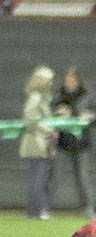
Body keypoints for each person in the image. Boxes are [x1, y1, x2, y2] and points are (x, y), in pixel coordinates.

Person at [52, 67, 96, 218]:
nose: (69, 83)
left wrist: (89, 116)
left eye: (72, 80)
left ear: (78, 81)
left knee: (83, 178)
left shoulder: (87, 96)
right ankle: (45, 207)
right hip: (63, 143)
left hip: (81, 143)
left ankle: (87, 208)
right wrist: (58, 113)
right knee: (54, 175)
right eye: (67, 80)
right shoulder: (59, 96)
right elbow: (49, 113)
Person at [20, 65, 57, 220]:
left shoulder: (41, 99)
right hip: (36, 142)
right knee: (38, 178)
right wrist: (49, 128)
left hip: (42, 141)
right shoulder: (35, 99)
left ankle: (39, 210)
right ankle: (35, 212)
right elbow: (31, 121)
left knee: (41, 178)